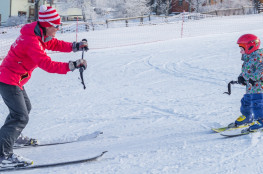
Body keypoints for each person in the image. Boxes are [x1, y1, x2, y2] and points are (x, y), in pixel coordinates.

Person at [0, 5, 88, 166]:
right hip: (9, 80)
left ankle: (12, 136)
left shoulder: (38, 32)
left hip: (14, 79)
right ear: (47, 25)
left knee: (24, 109)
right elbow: (47, 65)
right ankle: (3, 155)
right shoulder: (32, 41)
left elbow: (54, 44)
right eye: (56, 26)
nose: (58, 29)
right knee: (20, 116)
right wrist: (72, 65)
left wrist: (75, 46)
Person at [228, 34, 263, 133]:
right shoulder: (248, 57)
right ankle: (247, 117)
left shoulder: (259, 56)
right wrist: (241, 77)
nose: (240, 51)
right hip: (250, 86)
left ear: (250, 46)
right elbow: (246, 69)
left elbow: (261, 69)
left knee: (257, 103)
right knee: (246, 102)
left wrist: (254, 78)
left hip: (259, 86)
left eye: (242, 48)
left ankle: (261, 120)